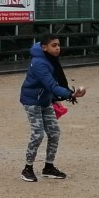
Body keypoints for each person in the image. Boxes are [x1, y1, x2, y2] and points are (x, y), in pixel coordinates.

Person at [18, 34, 86, 182]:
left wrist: (55, 99)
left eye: (58, 45)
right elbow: (51, 85)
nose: (57, 48)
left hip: (45, 100)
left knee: (54, 133)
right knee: (38, 134)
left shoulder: (49, 58)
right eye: (54, 45)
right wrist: (71, 94)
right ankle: (27, 168)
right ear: (44, 47)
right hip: (32, 101)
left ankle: (48, 167)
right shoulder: (39, 64)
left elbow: (52, 85)